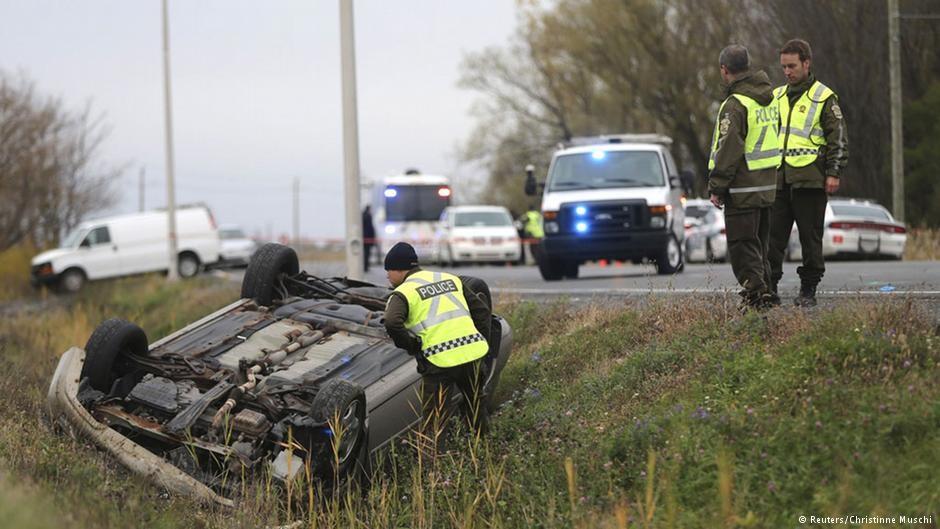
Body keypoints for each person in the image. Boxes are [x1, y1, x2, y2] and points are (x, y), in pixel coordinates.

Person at [767, 39, 849, 307]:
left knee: (810, 238)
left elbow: (837, 137)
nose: (787, 72)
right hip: (779, 180)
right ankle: (769, 288)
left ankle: (808, 290)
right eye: (783, 67)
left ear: (806, 63)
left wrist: (833, 171)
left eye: (792, 66)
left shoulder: (824, 97)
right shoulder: (776, 97)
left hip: (811, 181)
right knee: (772, 239)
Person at [382, 242, 492, 435]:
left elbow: (391, 322)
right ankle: (482, 452)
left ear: (400, 270)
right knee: (476, 408)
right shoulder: (450, 279)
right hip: (472, 355)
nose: (387, 276)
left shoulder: (403, 292)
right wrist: (481, 341)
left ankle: (432, 461)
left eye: (388, 270)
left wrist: (411, 346)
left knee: (434, 421)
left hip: (438, 362)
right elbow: (482, 311)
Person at [707, 44, 781, 310]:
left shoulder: (735, 105)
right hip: (767, 185)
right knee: (759, 244)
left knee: (742, 245)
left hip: (742, 187)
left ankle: (756, 296)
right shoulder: (769, 99)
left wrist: (717, 186)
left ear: (724, 70)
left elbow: (728, 148)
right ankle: (767, 291)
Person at [362, 205, 375, 272]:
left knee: (365, 253)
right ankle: (365, 267)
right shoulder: (368, 216)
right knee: (367, 253)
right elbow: (370, 228)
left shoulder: (363, 215)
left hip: (364, 237)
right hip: (367, 238)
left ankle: (365, 266)